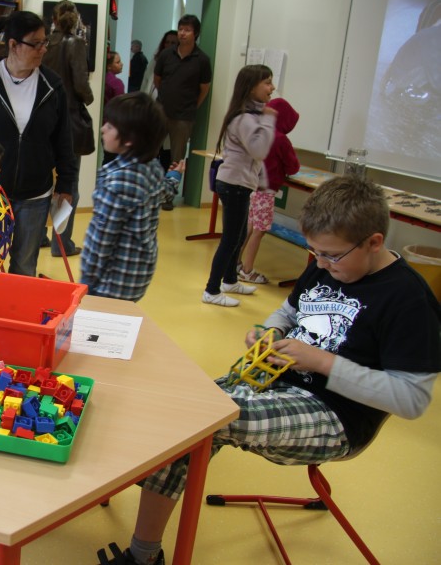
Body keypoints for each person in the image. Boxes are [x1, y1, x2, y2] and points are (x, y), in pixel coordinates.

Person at [98, 174, 441, 565]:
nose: (322, 265)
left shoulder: (408, 299)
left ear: (374, 241)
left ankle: (142, 557)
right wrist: (271, 330)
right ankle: (144, 551)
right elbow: (289, 310)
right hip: (277, 381)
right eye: (315, 253)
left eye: (331, 255)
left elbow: (413, 400)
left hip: (336, 414)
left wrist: (321, 361)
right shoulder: (327, 264)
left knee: (199, 422)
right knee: (184, 409)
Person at [0, 10, 77, 277]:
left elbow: (64, 140)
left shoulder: (52, 86)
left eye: (46, 42)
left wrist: (66, 185)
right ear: (13, 45)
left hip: (35, 195)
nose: (43, 49)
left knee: (24, 268)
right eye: (37, 43)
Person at [81, 93, 184, 302]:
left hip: (112, 281)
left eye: (110, 126)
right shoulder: (152, 166)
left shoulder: (118, 183)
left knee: (102, 330)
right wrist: (174, 176)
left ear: (129, 139)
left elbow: (100, 241)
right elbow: (164, 191)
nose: (103, 129)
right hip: (137, 273)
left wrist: (85, 285)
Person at [202, 65, 276, 307]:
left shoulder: (249, 116)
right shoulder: (245, 118)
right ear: (251, 86)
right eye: (266, 82)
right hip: (233, 184)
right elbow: (259, 150)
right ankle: (212, 290)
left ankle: (230, 280)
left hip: (238, 184)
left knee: (239, 234)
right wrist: (268, 121)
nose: (271, 87)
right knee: (231, 239)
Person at [40, 0, 94, 258]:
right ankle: (62, 243)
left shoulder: (44, 44)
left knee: (41, 182)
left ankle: (39, 235)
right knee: (69, 184)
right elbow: (81, 84)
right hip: (70, 121)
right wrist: (91, 98)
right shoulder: (76, 45)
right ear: (76, 21)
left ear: (53, 20)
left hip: (42, 119)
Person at [238, 97, 301, 284]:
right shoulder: (280, 139)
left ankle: (235, 263)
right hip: (266, 192)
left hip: (252, 187)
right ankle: (248, 271)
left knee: (249, 227)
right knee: (259, 231)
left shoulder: (260, 133)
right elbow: (293, 167)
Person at [154, 15, 211, 173]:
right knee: (150, 151)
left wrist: (192, 106)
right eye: (180, 29)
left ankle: (169, 195)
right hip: (161, 110)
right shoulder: (166, 55)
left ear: (196, 33)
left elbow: (204, 88)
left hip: (184, 116)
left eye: (187, 30)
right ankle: (148, 190)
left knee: (176, 158)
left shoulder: (202, 60)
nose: (182, 33)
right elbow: (157, 80)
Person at [101, 50, 127, 165]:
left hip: (104, 125)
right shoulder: (116, 83)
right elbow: (121, 108)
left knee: (108, 157)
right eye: (118, 62)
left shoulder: (103, 80)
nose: (121, 64)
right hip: (116, 126)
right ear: (109, 66)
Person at [141, 30, 178, 97]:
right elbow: (146, 80)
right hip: (151, 97)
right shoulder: (156, 60)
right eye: (167, 42)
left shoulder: (181, 63)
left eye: (173, 43)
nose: (169, 45)